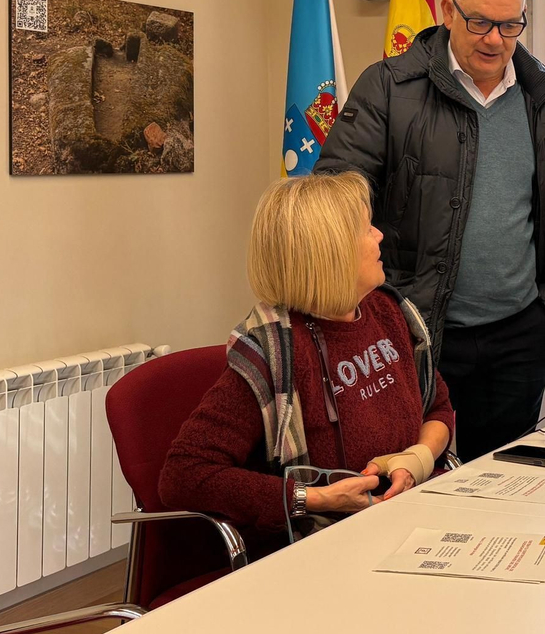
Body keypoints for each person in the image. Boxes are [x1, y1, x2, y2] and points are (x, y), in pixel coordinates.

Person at [317, 0, 545, 461]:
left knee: (506, 483)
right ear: (446, 10)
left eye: (510, 25)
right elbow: (337, 196)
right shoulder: (389, 87)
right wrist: (380, 309)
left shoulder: (542, 98)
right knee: (408, 476)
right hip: (415, 327)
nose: (494, 40)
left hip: (521, 330)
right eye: (479, 21)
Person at [160, 172, 454, 539]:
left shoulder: (389, 312)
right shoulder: (274, 354)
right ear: (330, 252)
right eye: (367, 229)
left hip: (410, 517)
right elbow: (184, 474)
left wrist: (417, 460)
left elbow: (437, 408)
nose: (380, 235)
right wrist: (315, 498)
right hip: (325, 543)